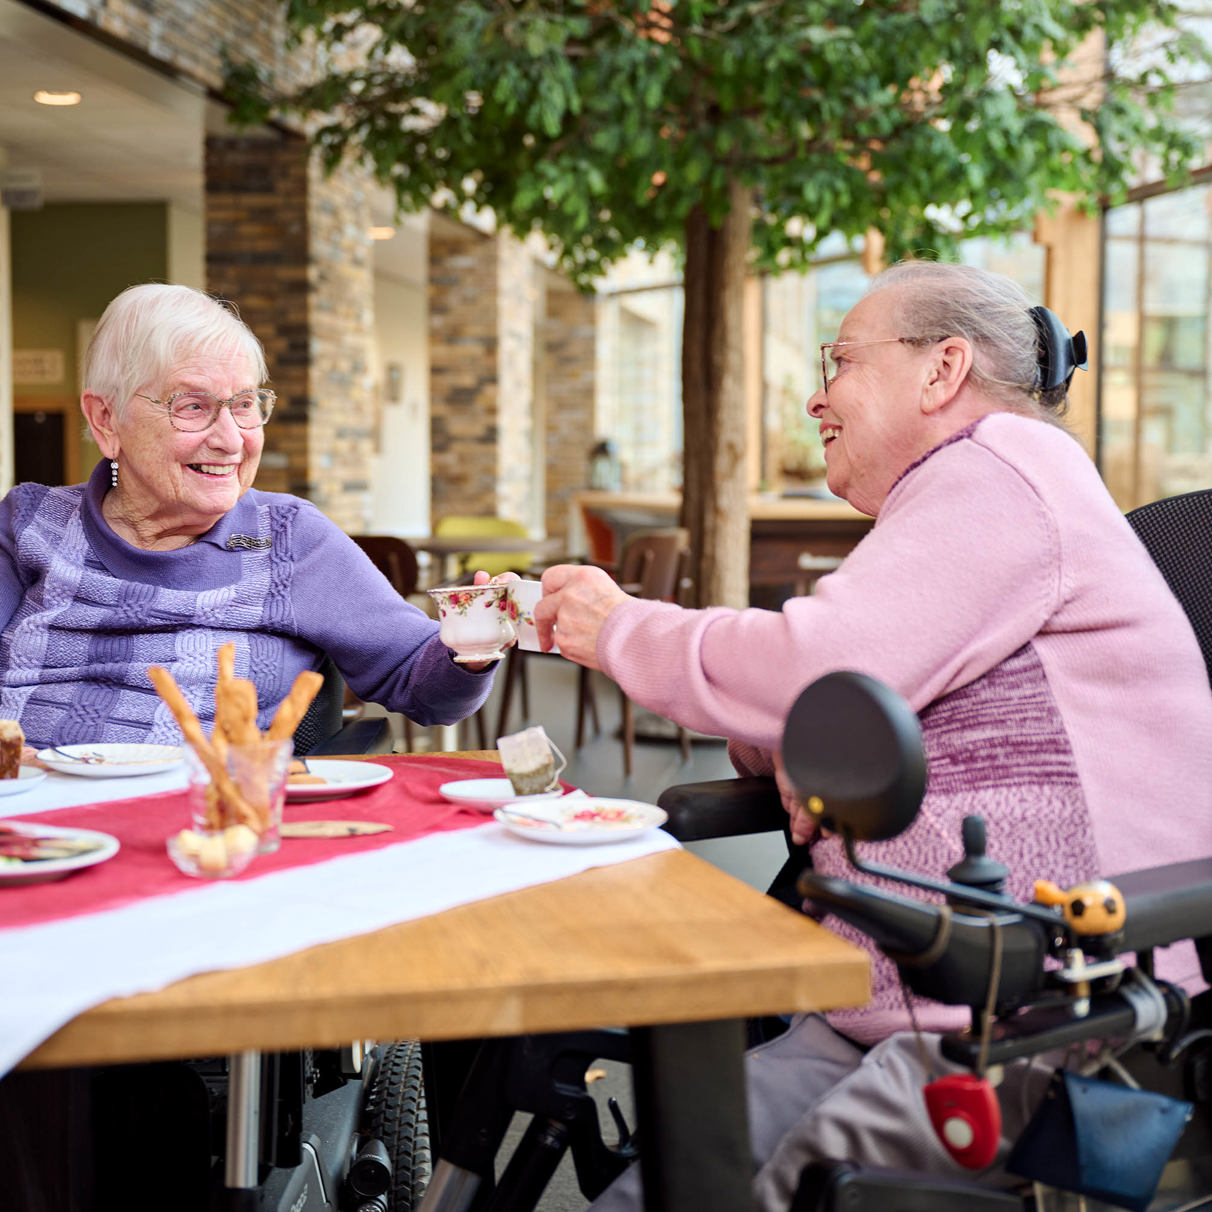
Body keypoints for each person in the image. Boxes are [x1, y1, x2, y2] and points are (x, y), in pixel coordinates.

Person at [534, 260, 1212, 1207]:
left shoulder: (1003, 471)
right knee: (664, 1181)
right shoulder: (967, 490)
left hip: (1031, 1021)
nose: (817, 397)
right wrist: (789, 742)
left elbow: (818, 669)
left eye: (839, 362)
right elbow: (861, 702)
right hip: (910, 997)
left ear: (942, 371)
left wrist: (619, 628)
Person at [0, 282, 496, 750]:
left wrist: (473, 641)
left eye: (244, 404)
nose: (232, 439)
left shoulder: (288, 538)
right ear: (106, 419)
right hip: (28, 807)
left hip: (203, 811)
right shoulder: (31, 522)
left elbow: (418, 679)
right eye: (193, 406)